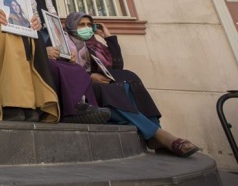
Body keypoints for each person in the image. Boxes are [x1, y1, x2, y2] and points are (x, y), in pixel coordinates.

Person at [65, 12, 200, 157]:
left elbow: (116, 67)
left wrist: (108, 37)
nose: (86, 28)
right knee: (109, 91)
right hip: (79, 90)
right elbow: (63, 71)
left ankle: (156, 129)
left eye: (89, 25)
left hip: (99, 87)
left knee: (129, 78)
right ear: (71, 25)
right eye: (81, 25)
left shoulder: (93, 45)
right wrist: (89, 77)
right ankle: (159, 135)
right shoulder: (63, 43)